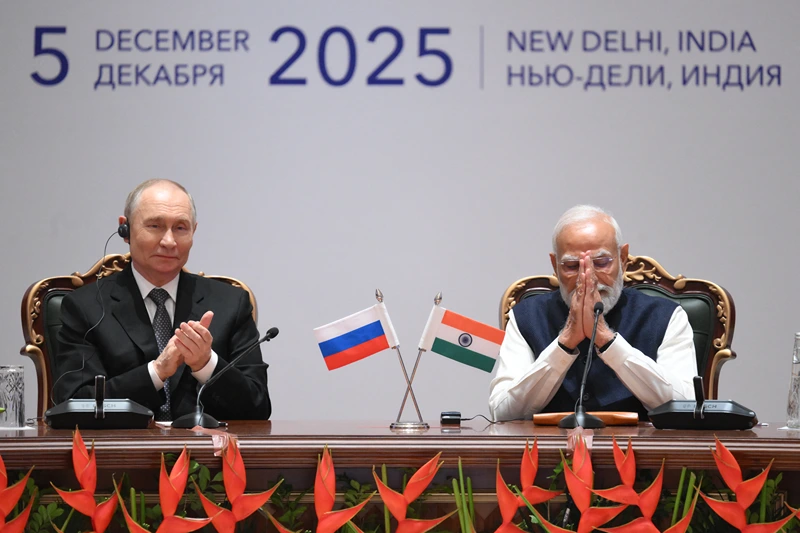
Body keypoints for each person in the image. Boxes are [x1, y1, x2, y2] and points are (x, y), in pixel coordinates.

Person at [54, 179, 271, 421]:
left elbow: (258, 407)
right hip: (120, 454)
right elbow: (72, 405)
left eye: (180, 228)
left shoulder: (230, 303)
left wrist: (206, 364)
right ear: (125, 230)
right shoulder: (85, 307)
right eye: (155, 226)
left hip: (205, 454)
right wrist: (156, 372)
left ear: (194, 232)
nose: (169, 241)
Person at [488, 205, 696, 420]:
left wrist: (607, 340)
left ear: (623, 258)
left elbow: (686, 407)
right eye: (571, 266)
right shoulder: (525, 317)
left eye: (601, 262)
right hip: (548, 451)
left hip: (642, 450)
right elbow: (502, 413)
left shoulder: (667, 316)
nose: (588, 277)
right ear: (554, 265)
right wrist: (565, 342)